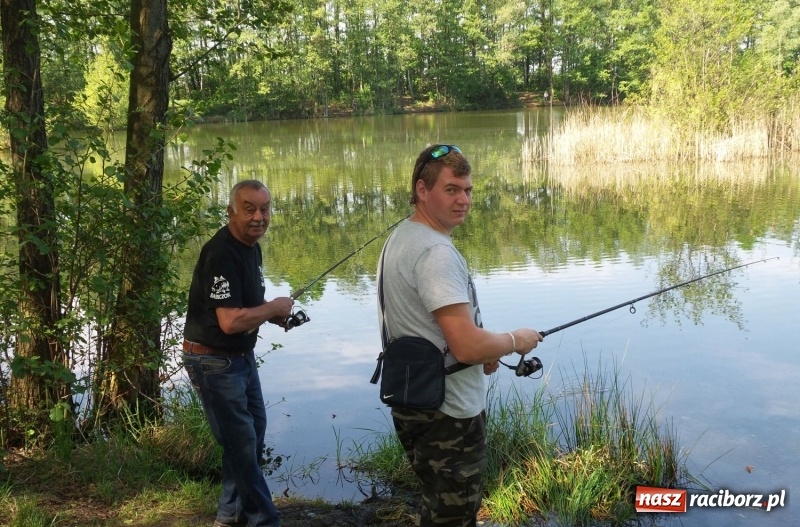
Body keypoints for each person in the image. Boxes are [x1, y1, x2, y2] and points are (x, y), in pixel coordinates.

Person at [377, 145, 543, 527]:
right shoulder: (436, 253)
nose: (464, 200)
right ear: (422, 190)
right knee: (454, 515)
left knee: (436, 502)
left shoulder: (402, 236)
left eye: (467, 190)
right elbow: (465, 345)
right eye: (452, 190)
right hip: (448, 412)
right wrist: (514, 340)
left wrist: (487, 347)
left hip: (412, 396)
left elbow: (433, 328)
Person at [182, 179, 294, 527]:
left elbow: (243, 306)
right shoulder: (221, 253)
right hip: (212, 360)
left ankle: (228, 516)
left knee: (251, 434)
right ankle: (264, 520)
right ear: (231, 212)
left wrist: (273, 314)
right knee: (243, 444)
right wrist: (273, 305)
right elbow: (230, 321)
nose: (259, 217)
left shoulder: (251, 248)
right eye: (250, 209)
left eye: (265, 209)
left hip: (238, 358)